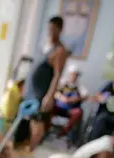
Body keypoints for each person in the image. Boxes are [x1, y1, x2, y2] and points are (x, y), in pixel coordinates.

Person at [21, 16, 68, 150]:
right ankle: (27, 147)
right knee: (30, 120)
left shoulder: (60, 50)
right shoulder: (44, 45)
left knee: (38, 123)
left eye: (54, 29)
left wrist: (49, 96)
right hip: (31, 89)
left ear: (60, 30)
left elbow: (57, 75)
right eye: (49, 29)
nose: (51, 32)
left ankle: (31, 149)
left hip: (41, 92)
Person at [54, 64, 88, 141]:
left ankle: (64, 131)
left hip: (70, 110)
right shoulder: (62, 83)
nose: (74, 76)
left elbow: (86, 96)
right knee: (49, 107)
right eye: (72, 74)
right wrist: (61, 97)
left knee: (79, 112)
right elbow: (54, 92)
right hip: (58, 107)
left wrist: (73, 99)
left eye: (76, 75)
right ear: (69, 74)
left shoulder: (79, 86)